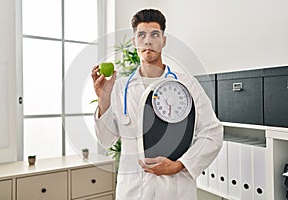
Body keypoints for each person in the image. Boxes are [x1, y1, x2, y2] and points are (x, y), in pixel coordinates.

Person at [92, 9, 223, 200]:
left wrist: (180, 165)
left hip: (175, 189)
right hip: (133, 190)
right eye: (141, 35)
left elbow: (212, 132)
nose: (148, 41)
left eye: (155, 34)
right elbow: (106, 140)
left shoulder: (187, 84)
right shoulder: (119, 88)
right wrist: (103, 99)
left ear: (163, 41)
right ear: (135, 41)